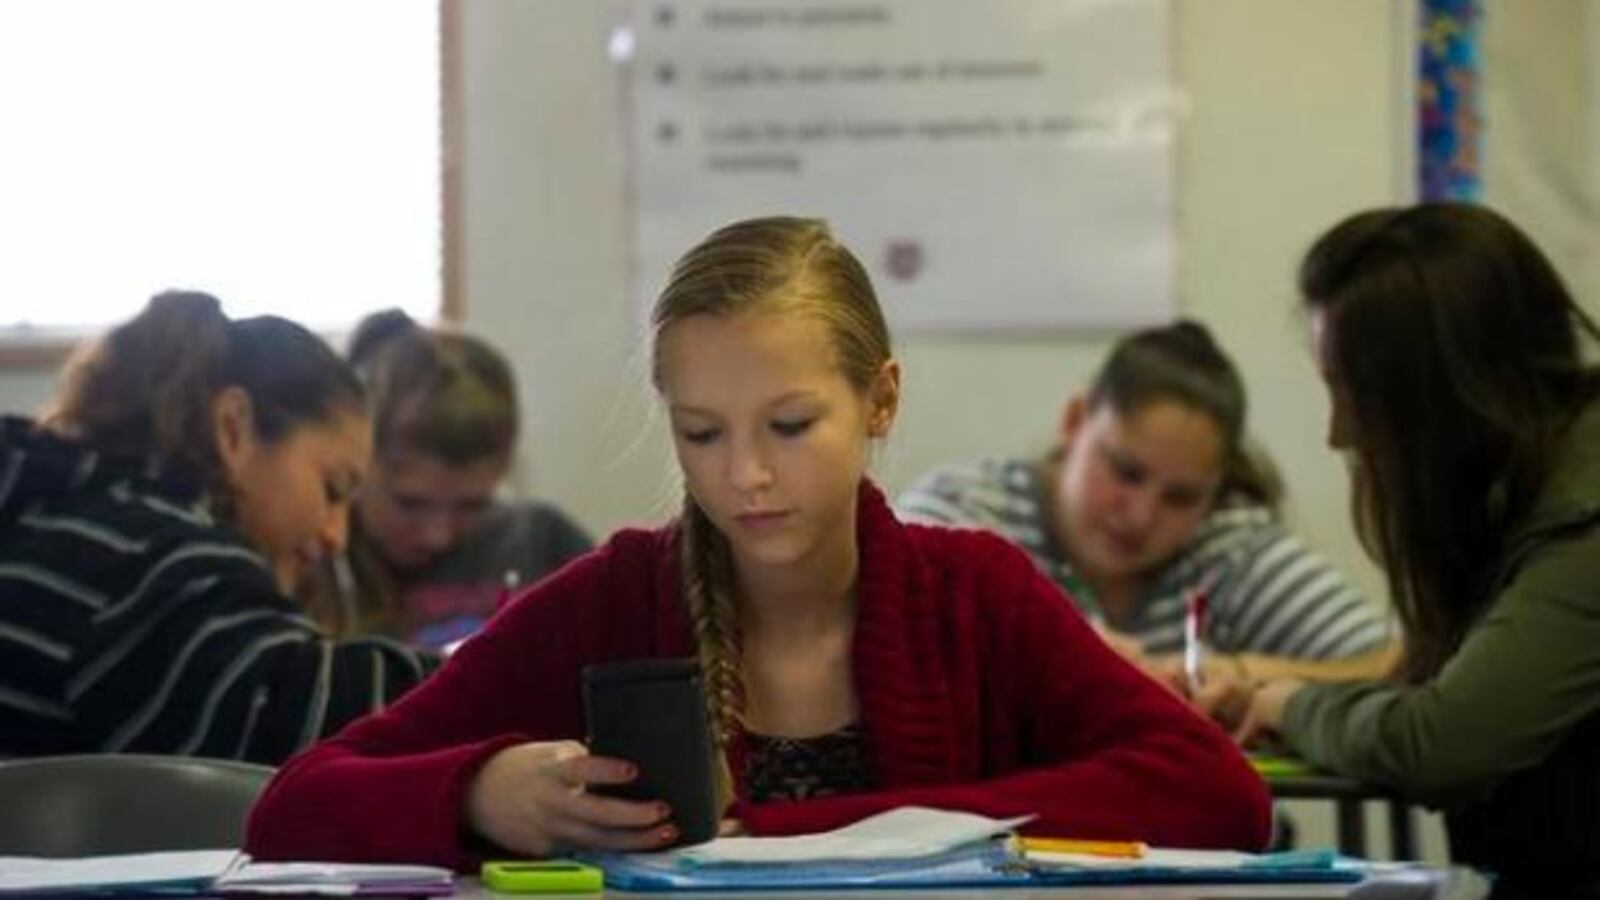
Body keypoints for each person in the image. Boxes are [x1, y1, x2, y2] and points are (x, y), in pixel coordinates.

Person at [245, 217, 1270, 868]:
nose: (745, 474)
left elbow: (1219, 792)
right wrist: (477, 791)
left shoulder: (975, 593)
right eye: (701, 433)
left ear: (880, 399)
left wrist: (864, 837)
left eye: (789, 426)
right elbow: (293, 808)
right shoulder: (612, 598)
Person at [1227, 203, 1600, 897]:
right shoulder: (1526, 485)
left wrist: (1291, 707)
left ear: (1441, 395)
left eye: (1355, 395)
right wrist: (1270, 694)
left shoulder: (1584, 520)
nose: (1339, 434)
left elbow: (1442, 741)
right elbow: (1428, 683)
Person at [0, 291, 434, 763]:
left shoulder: (58, 513)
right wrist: (494, 671)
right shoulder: (145, 555)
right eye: (332, 488)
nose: (337, 536)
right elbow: (291, 713)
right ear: (233, 428)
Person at [897, 320, 1396, 703]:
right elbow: (883, 641)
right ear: (1074, 422)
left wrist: (1241, 673)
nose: (1139, 515)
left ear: (1216, 492)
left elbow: (1398, 664)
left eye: (1180, 498)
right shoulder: (963, 511)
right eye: (1125, 472)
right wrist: (1063, 657)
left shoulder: (1230, 547)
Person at [300, 310, 591, 649]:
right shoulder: (307, 561)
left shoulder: (542, 545)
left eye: (472, 506)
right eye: (410, 503)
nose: (437, 536)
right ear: (357, 465)